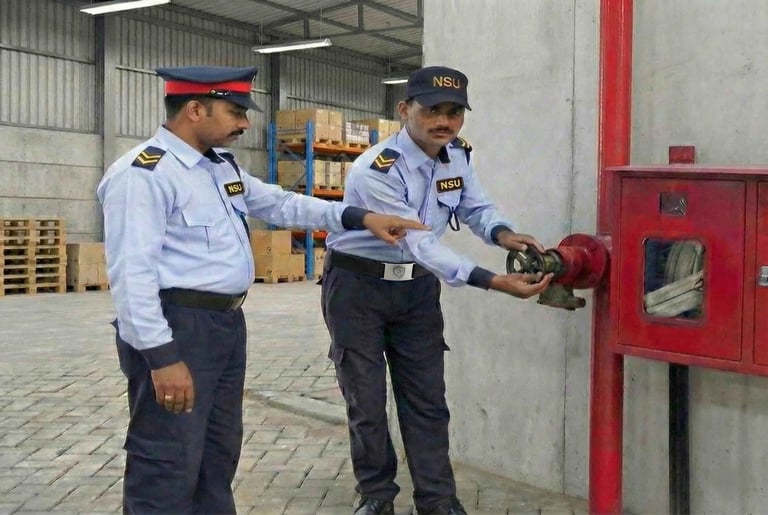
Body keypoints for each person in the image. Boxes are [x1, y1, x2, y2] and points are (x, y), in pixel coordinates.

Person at [96, 65, 428, 515]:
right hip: (179, 327)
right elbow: (131, 275)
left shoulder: (218, 166)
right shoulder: (144, 174)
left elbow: (280, 202)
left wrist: (360, 217)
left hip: (225, 325)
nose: (245, 123)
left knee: (217, 453)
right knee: (168, 458)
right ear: (195, 109)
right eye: (235, 111)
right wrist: (161, 357)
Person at [322, 65, 554, 515]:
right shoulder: (376, 169)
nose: (443, 121)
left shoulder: (457, 155)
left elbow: (475, 206)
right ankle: (376, 495)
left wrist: (503, 234)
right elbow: (419, 241)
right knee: (366, 400)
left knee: (427, 400)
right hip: (358, 288)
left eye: (453, 112)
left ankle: (437, 501)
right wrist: (491, 280)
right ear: (405, 110)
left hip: (416, 292)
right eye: (432, 110)